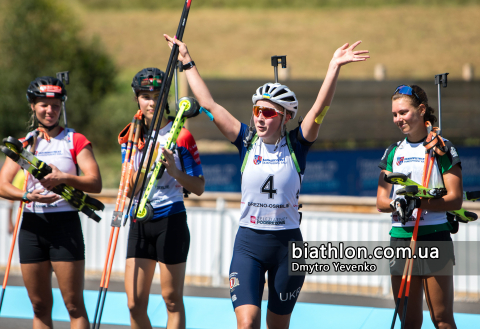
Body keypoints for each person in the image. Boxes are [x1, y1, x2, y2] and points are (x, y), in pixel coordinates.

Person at [164, 34, 369, 329]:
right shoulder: (246, 141)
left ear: (285, 116)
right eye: (256, 111)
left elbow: (319, 110)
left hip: (287, 247)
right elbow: (208, 103)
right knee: (247, 323)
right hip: (249, 243)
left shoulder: (298, 144)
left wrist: (333, 67)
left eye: (268, 112)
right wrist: (186, 59)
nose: (259, 118)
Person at [0, 76, 102, 329]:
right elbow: (2, 184)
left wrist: (64, 177)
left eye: (55, 105)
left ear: (61, 106)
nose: (50, 110)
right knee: (39, 306)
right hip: (32, 225)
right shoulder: (25, 144)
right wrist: (26, 196)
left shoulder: (74, 140)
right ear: (33, 106)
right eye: (43, 105)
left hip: (64, 224)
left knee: (73, 304)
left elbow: (95, 183)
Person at [123, 67, 205, 329]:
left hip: (170, 217)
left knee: (171, 299)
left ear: (166, 97)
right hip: (139, 220)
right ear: (137, 98)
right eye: (145, 96)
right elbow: (128, 189)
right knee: (135, 303)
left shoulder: (181, 134)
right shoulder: (131, 135)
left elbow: (199, 186)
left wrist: (174, 171)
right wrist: (145, 163)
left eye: (157, 95)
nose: (152, 102)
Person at [376, 84, 461, 329]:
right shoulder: (393, 151)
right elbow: (381, 200)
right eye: (394, 114)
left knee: (442, 319)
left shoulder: (441, 147)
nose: (398, 119)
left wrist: (419, 202)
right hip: (401, 238)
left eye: (403, 112)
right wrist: (397, 204)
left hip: (434, 236)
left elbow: (455, 199)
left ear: (421, 109)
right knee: (410, 322)